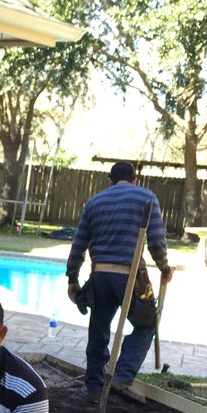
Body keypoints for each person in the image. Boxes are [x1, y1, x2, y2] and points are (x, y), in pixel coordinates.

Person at [66, 161, 174, 400]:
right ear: (135, 180)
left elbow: (79, 244)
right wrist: (164, 268)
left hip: (101, 276)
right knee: (147, 325)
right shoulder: (147, 197)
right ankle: (122, 377)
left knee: (99, 329)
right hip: (132, 276)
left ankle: (94, 387)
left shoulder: (94, 202)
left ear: (110, 180)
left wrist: (72, 278)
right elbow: (156, 241)